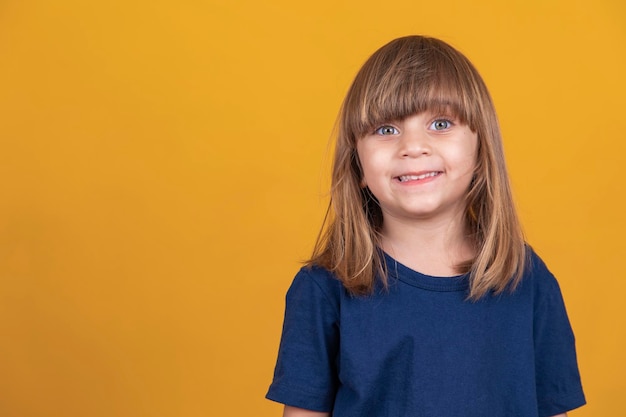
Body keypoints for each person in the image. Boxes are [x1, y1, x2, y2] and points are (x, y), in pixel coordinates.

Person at [266, 35, 585, 417]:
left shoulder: (528, 280)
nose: (413, 146)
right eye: (386, 129)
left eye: (440, 123)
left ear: (482, 151)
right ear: (358, 165)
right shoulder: (323, 289)